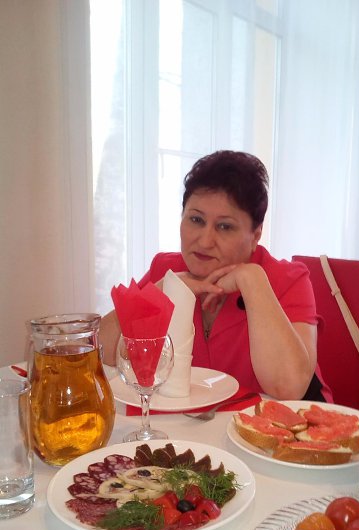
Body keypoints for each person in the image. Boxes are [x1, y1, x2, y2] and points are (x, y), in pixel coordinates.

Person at [100, 150, 332, 402]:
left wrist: (252, 280)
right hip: (191, 422)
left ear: (255, 235)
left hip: (272, 423)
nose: (205, 241)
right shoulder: (166, 268)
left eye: (225, 226)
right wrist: (159, 291)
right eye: (196, 219)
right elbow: (104, 351)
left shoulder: (288, 279)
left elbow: (288, 388)